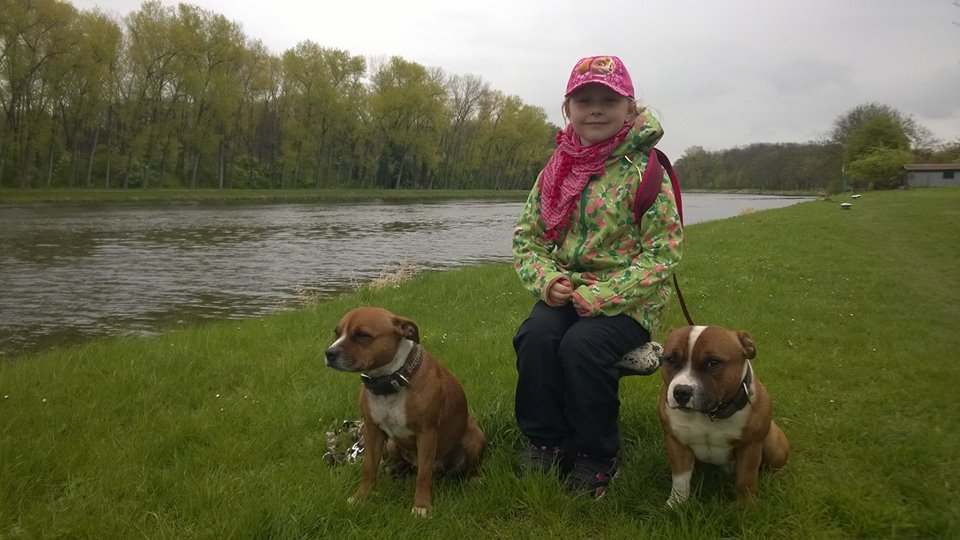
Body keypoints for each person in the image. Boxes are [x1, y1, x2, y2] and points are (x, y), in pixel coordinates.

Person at [511, 55, 684, 498]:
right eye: (584, 100)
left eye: (608, 100)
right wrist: (547, 281)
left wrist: (604, 295)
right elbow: (528, 239)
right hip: (567, 291)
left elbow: (663, 253)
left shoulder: (647, 171)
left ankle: (597, 453)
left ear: (629, 108)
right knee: (536, 336)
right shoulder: (556, 168)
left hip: (630, 303)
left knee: (582, 346)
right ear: (568, 109)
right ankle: (546, 440)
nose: (595, 110)